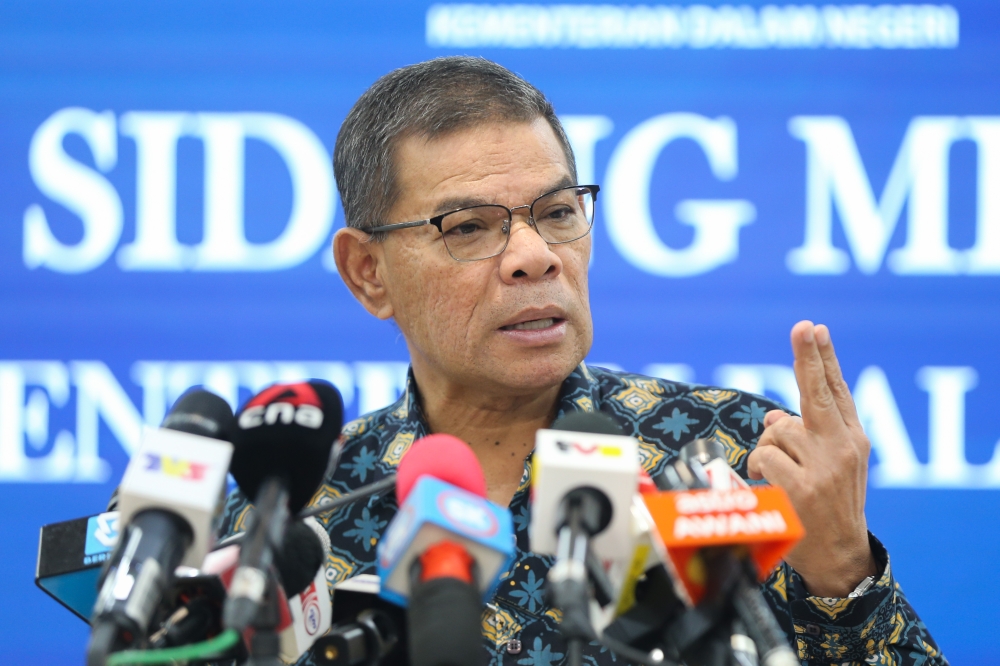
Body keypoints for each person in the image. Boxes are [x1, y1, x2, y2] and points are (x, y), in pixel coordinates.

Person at [219, 56, 945, 665]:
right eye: (469, 226)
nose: (535, 257)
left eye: (558, 212)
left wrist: (842, 571)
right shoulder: (278, 515)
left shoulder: (731, 453)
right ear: (368, 272)